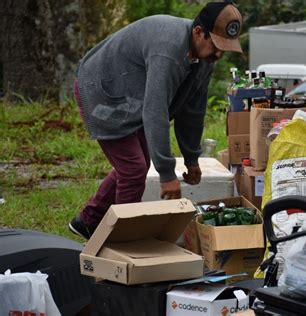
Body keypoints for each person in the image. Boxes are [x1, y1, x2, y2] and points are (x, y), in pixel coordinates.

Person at [68, 1, 243, 239]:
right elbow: (155, 110)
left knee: (137, 162)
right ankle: (122, 243)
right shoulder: (168, 51)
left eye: (226, 47)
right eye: (216, 45)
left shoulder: (204, 59)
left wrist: (192, 158)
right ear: (198, 32)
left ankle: (87, 221)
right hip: (102, 88)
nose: (220, 54)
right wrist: (167, 175)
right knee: (133, 169)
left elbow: (192, 109)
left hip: (133, 93)